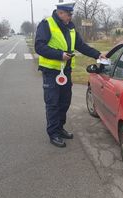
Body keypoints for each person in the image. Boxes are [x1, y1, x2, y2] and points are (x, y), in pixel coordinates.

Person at [35, 0, 106, 148]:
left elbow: (81, 46)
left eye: (70, 14)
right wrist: (59, 55)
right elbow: (39, 46)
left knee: (64, 102)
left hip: (65, 72)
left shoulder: (71, 28)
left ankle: (60, 128)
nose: (70, 17)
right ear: (60, 13)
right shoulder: (46, 24)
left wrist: (98, 55)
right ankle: (53, 133)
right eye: (68, 14)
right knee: (53, 103)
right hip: (51, 71)